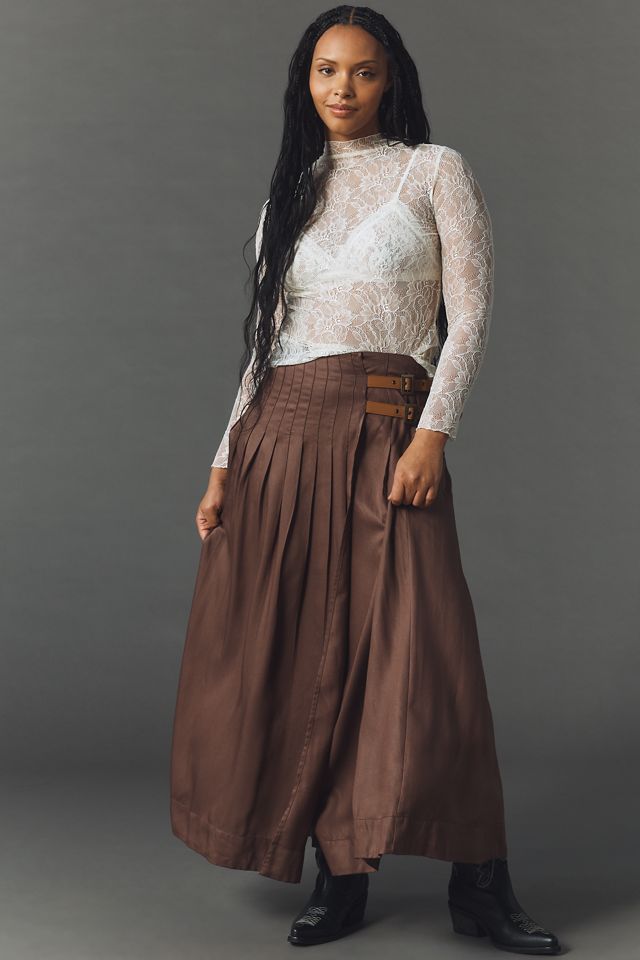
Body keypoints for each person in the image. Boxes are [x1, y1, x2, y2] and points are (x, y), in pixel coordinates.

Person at [170, 5, 561, 954]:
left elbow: (469, 316)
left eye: (363, 70)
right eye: (325, 70)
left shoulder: (435, 170)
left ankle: (482, 883)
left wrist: (434, 435)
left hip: (391, 428)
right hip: (280, 434)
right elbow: (266, 346)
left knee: (427, 652)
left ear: (393, 79)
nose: (342, 88)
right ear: (305, 83)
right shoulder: (291, 193)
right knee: (306, 654)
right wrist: (223, 460)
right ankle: (340, 874)